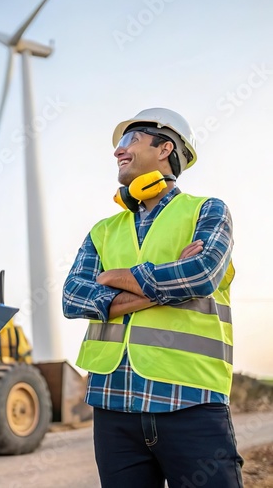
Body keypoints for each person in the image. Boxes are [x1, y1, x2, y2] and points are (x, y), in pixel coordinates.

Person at [62, 107, 243, 488]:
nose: (117, 152)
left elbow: (202, 273)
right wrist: (166, 281)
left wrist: (115, 280)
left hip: (192, 405)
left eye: (129, 140)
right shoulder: (104, 229)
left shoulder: (207, 210)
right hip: (113, 406)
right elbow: (73, 298)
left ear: (164, 148)